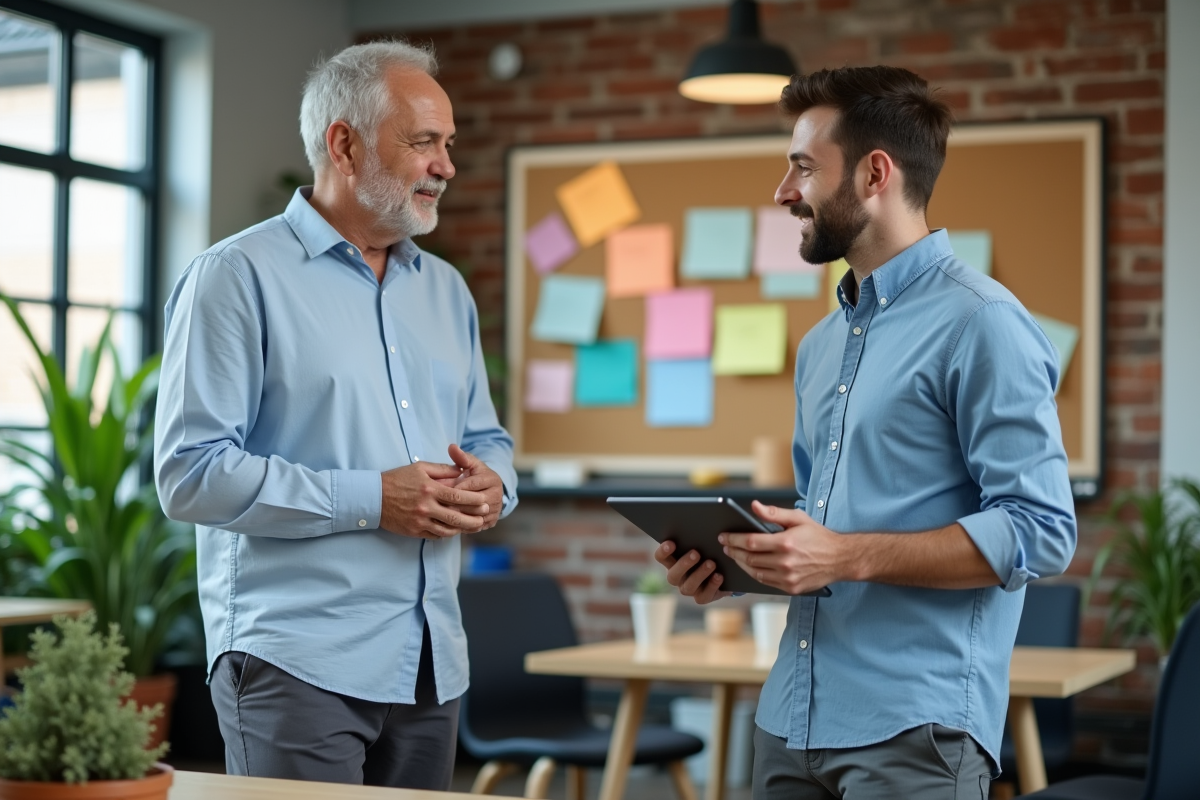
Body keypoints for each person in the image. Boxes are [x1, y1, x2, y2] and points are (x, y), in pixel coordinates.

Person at [654, 66, 1076, 800]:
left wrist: (844, 555)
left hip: (915, 732)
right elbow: (824, 530)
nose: (783, 192)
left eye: (803, 167)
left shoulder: (983, 323)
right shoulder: (820, 345)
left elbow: (1041, 530)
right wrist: (741, 565)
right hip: (790, 722)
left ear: (875, 173)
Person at [154, 40, 517, 790]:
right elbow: (189, 475)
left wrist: (495, 485)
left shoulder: (446, 291)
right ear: (345, 146)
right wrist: (373, 498)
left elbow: (486, 437)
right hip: (296, 663)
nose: (447, 166)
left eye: (448, 144)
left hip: (430, 662)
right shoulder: (234, 277)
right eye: (424, 142)